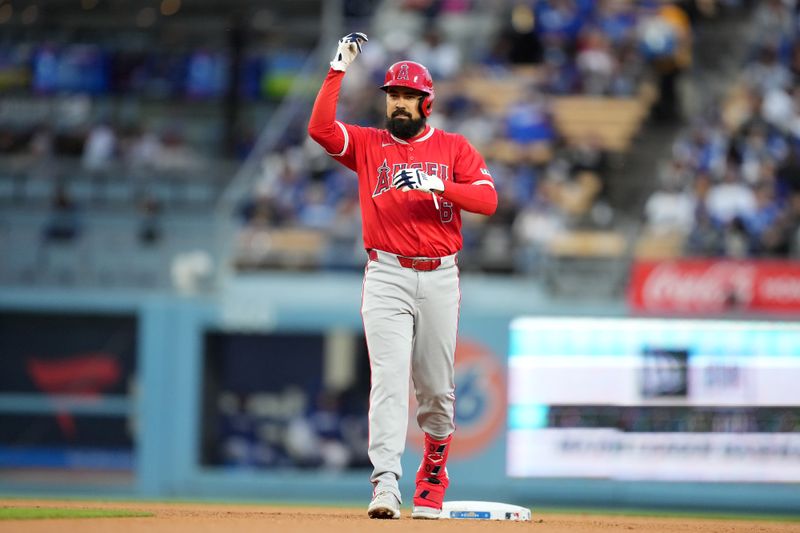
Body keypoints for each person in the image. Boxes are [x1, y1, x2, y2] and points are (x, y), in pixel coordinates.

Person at [307, 33, 498, 520]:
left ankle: (433, 473)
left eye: (408, 96)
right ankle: (385, 483)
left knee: (436, 387)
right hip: (387, 273)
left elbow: (488, 201)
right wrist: (336, 70)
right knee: (389, 381)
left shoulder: (453, 148)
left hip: (439, 276)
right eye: (393, 94)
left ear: (426, 103)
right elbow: (321, 130)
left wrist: (441, 183)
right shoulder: (370, 145)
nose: (398, 102)